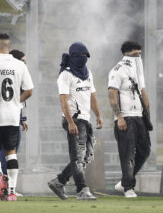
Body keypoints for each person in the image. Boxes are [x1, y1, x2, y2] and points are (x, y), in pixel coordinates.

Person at [48, 42, 103, 201]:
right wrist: (70, 122)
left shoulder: (88, 73)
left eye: (86, 55)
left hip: (86, 119)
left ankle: (59, 181)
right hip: (74, 119)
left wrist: (98, 115)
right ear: (73, 56)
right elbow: (63, 101)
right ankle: (82, 189)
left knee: (87, 156)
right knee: (78, 157)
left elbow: (92, 96)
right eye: (80, 56)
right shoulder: (66, 75)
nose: (83, 59)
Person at [0, 33, 33, 201]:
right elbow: (29, 90)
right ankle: (12, 191)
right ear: (9, 46)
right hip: (12, 116)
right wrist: (15, 102)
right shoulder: (20, 65)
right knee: (11, 153)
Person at [108, 41, 151, 199]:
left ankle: (125, 180)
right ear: (125, 54)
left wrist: (147, 115)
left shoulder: (138, 69)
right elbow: (112, 94)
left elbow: (143, 91)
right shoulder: (117, 70)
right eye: (135, 54)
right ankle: (128, 188)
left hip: (139, 116)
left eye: (139, 54)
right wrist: (119, 117)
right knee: (127, 154)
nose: (138, 57)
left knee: (145, 150)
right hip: (125, 116)